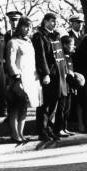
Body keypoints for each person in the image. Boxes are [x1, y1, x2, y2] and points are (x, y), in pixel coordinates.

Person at [32, 13, 68, 141]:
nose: (54, 23)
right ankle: (42, 131)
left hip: (59, 74)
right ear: (45, 21)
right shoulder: (39, 36)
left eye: (55, 21)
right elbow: (41, 56)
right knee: (45, 104)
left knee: (54, 103)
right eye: (52, 21)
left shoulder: (55, 35)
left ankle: (50, 129)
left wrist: (65, 70)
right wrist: (45, 73)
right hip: (49, 75)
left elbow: (61, 55)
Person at [5, 17, 41, 143]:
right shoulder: (13, 42)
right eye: (26, 26)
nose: (28, 29)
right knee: (15, 107)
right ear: (20, 26)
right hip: (18, 79)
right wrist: (16, 78)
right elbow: (10, 63)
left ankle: (21, 133)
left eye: (30, 27)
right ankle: (15, 134)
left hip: (30, 79)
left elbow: (32, 62)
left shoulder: (29, 42)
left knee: (24, 107)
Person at [59, 35, 84, 135]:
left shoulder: (70, 56)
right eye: (71, 44)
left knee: (67, 109)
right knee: (62, 108)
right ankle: (59, 128)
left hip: (70, 85)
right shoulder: (62, 56)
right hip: (63, 85)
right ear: (64, 45)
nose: (74, 47)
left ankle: (64, 128)